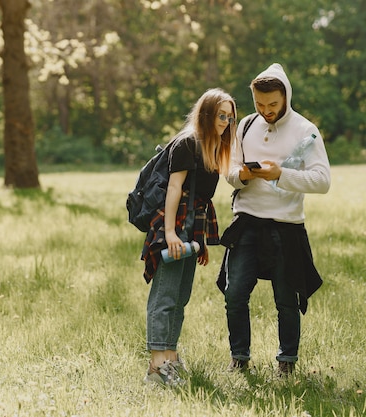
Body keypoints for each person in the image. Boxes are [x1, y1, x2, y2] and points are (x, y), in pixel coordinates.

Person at [217, 63, 331, 377]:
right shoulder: (245, 126)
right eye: (259, 104)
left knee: (286, 299)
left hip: (286, 226)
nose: (266, 111)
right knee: (235, 293)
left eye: (273, 105)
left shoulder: (305, 129)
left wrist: (281, 174)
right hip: (247, 222)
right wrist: (241, 175)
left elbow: (322, 181)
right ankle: (239, 358)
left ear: (286, 97)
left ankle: (287, 363)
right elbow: (229, 169)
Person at [141, 88, 237, 385]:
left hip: (193, 225)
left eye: (230, 118)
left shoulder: (212, 147)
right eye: (221, 116)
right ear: (206, 115)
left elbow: (200, 199)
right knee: (165, 295)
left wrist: (202, 241)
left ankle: (170, 357)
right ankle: (157, 367)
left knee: (181, 296)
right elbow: (174, 189)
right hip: (175, 222)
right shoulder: (187, 143)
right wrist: (170, 232)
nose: (225, 123)